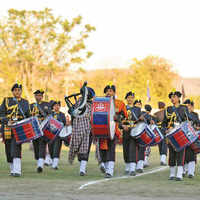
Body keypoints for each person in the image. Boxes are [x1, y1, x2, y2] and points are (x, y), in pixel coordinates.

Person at [0, 83, 30, 177]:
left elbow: (28, 117)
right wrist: (7, 121)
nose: (17, 92)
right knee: (8, 149)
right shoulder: (6, 100)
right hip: (7, 128)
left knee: (16, 148)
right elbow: (1, 114)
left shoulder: (25, 102)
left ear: (21, 91)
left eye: (19, 90)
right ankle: (12, 170)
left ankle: (17, 170)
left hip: (19, 128)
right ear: (12, 91)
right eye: (15, 90)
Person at [98, 83, 128, 178]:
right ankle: (105, 167)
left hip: (113, 130)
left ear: (114, 92)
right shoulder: (100, 103)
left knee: (111, 149)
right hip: (101, 130)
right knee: (102, 150)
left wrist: (118, 118)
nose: (108, 93)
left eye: (111, 91)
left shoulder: (120, 103)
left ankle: (110, 171)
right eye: (107, 91)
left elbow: (124, 116)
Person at [162, 90, 191, 181]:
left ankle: (179, 174)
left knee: (180, 153)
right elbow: (164, 123)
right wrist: (166, 130)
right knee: (172, 154)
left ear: (179, 98)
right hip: (171, 134)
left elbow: (187, 121)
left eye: (174, 97)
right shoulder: (168, 109)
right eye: (171, 97)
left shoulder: (184, 108)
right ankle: (171, 174)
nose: (172, 98)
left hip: (180, 133)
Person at [68, 86, 95, 176]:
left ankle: (82, 169)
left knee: (85, 149)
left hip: (87, 129)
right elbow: (73, 114)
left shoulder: (92, 104)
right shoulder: (79, 102)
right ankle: (82, 168)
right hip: (80, 128)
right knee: (81, 148)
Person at [30, 89, 51, 173]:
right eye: (37, 95)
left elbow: (50, 115)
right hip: (34, 129)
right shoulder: (31, 105)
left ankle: (40, 165)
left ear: (42, 96)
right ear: (35, 96)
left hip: (43, 129)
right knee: (36, 147)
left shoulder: (46, 104)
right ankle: (39, 161)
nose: (38, 97)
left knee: (42, 146)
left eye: (40, 95)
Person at [183, 99, 200, 178]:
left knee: (192, 154)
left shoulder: (195, 114)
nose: (187, 107)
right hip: (184, 136)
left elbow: (198, 125)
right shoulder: (182, 114)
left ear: (192, 106)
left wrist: (196, 127)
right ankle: (184, 170)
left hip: (193, 137)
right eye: (186, 106)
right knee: (184, 153)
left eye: (188, 105)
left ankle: (191, 172)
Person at [48, 100, 66, 170]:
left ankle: (55, 164)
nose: (57, 107)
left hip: (58, 136)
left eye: (58, 105)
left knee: (56, 149)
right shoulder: (50, 114)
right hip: (50, 135)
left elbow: (64, 123)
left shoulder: (62, 114)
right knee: (51, 149)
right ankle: (52, 162)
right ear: (53, 106)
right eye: (55, 105)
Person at [154, 101, 168, 166]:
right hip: (165, 129)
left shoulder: (155, 114)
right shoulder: (166, 112)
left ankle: (162, 159)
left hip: (158, 130)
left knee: (160, 144)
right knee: (164, 144)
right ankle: (163, 159)